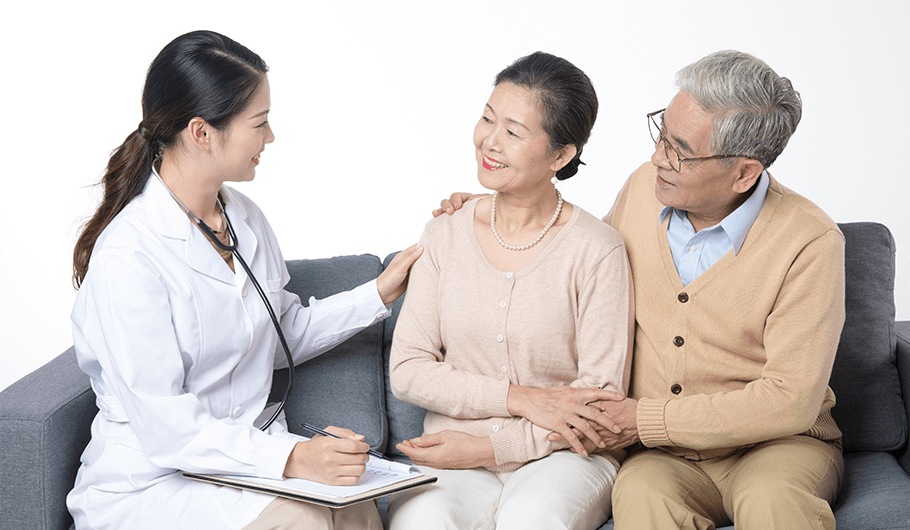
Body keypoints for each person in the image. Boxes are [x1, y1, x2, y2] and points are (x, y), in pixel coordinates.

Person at [437, 50, 845, 530]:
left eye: (680, 151)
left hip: (777, 447)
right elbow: (575, 260)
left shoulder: (810, 241)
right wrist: (506, 209)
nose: (657, 158)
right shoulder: (644, 188)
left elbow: (790, 399)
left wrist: (643, 419)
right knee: (639, 495)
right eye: (661, 133)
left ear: (744, 173)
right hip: (664, 455)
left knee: (772, 500)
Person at [67, 30, 421, 530]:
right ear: (202, 133)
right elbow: (167, 428)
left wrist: (379, 293)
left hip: (239, 463)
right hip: (155, 481)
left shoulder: (245, 218)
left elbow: (280, 333)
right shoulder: (128, 256)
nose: (270, 138)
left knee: (355, 505)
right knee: (307, 521)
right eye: (260, 123)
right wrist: (296, 459)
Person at [387, 52, 634, 530]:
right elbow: (408, 371)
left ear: (560, 156)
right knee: (420, 521)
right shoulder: (444, 232)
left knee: (531, 519)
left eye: (514, 132)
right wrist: (519, 399)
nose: (490, 141)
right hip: (451, 451)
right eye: (487, 118)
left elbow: (600, 402)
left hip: (564, 456)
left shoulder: (597, 249)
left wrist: (493, 447)